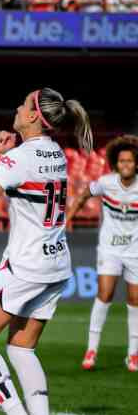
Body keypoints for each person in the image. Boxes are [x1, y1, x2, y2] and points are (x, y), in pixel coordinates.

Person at [0, 88, 93, 415]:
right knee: (21, 349)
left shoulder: (18, 159)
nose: (16, 109)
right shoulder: (57, 153)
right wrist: (8, 155)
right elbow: (29, 172)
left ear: (34, 115)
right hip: (56, 263)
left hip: (26, 264)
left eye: (22, 105)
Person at [66, 134, 138, 372]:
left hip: (135, 250)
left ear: (136, 164)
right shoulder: (106, 183)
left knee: (135, 300)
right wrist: (68, 218)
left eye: (129, 161)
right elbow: (85, 194)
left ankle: (133, 355)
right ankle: (91, 349)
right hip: (110, 248)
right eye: (121, 161)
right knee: (105, 293)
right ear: (116, 164)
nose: (125, 165)